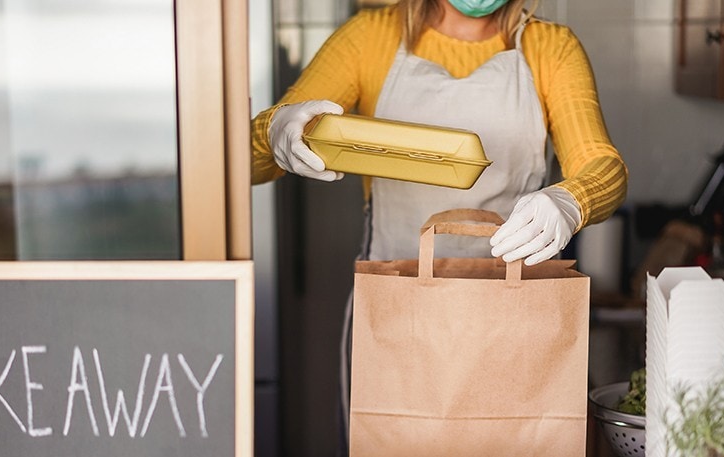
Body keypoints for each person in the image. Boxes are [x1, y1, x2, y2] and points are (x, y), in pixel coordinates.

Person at [250, 0, 628, 449]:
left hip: (516, 320)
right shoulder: (370, 36)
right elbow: (248, 165)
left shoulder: (551, 47)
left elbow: (602, 165)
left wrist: (570, 200)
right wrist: (275, 133)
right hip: (395, 319)